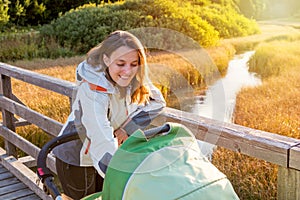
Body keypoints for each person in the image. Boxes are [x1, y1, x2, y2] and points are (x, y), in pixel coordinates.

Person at [52, 30, 166, 199]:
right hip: (77, 157)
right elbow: (100, 138)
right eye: (120, 64)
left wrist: (128, 128)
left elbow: (157, 103)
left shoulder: (133, 79)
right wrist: (123, 176)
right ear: (106, 59)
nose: (127, 71)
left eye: (134, 64)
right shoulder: (92, 90)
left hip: (105, 155)